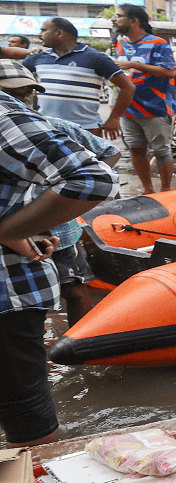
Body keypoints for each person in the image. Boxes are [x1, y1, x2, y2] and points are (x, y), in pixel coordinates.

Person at [0, 85, 119, 446]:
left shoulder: (13, 119)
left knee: (23, 409)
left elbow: (94, 172)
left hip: (9, 292)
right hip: (24, 262)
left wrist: (12, 227)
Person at [0, 61, 120, 325]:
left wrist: (54, 184)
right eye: (11, 93)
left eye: (26, 92)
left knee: (74, 287)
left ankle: (79, 346)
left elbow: (107, 156)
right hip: (26, 232)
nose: (21, 99)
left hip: (58, 229)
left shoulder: (54, 125)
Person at [24, 17, 135, 139]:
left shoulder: (95, 57)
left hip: (86, 129)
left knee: (92, 158)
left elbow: (128, 87)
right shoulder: (38, 57)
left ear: (59, 33)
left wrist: (114, 118)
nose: (40, 35)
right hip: (49, 127)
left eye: (44, 30)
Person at [113, 3, 176, 194]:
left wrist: (134, 64)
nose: (115, 20)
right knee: (136, 149)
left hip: (155, 106)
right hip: (128, 107)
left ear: (134, 21)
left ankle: (166, 190)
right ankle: (148, 190)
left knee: (161, 151)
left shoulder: (158, 43)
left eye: (119, 16)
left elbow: (170, 71)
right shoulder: (120, 43)